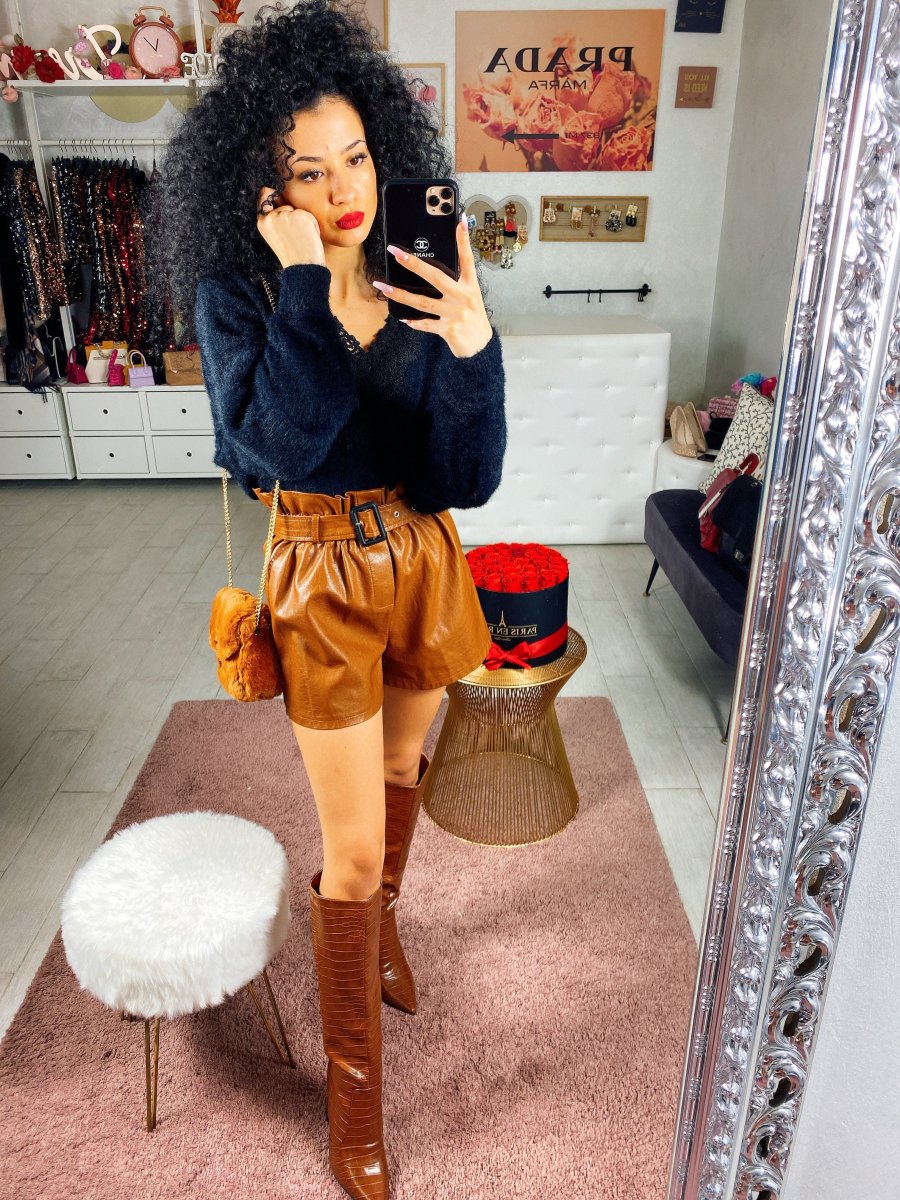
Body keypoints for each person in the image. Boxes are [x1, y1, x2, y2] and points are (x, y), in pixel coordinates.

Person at [162, 3, 506, 1197]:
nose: (343, 189)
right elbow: (280, 446)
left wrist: (474, 348)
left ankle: (389, 934)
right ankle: (355, 1102)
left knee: (404, 773)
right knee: (349, 854)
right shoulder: (240, 293)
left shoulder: (420, 273)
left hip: (421, 553)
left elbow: (466, 476)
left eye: (355, 157)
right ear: (262, 187)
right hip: (318, 572)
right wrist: (307, 283)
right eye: (308, 171)